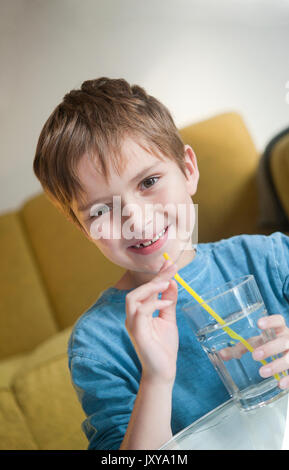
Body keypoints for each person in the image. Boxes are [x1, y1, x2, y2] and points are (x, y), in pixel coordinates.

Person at [33, 77, 289, 450]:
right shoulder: (98, 343)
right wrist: (155, 378)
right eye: (101, 210)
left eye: (149, 181)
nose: (135, 219)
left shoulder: (271, 259)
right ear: (83, 228)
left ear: (188, 170)